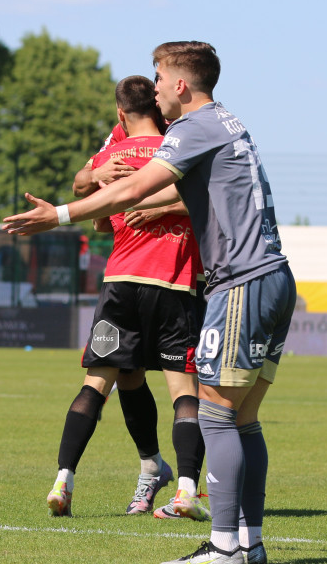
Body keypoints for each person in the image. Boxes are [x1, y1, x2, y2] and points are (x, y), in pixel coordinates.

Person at [4, 41, 296, 564]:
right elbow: (173, 193)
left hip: (241, 283)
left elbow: (134, 186)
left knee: (218, 414)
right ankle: (249, 542)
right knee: (245, 419)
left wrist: (61, 215)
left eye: (160, 77)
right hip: (275, 277)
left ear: (181, 84)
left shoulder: (193, 127)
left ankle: (226, 544)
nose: (155, 87)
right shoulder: (229, 123)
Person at [47, 76, 208, 521]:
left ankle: (64, 478)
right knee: (179, 389)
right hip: (173, 281)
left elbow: (93, 205)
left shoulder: (115, 151)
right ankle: (183, 487)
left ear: (121, 114)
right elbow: (212, 196)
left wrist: (100, 190)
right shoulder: (183, 141)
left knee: (99, 384)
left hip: (120, 281)